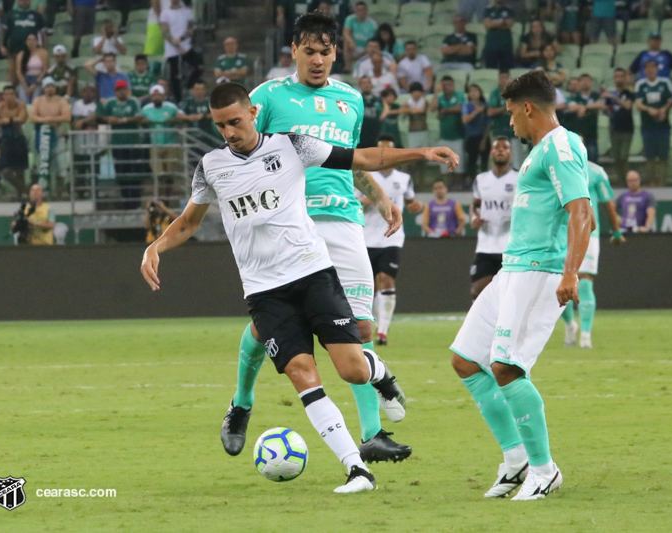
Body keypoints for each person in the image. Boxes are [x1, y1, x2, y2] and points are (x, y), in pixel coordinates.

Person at [141, 83, 456, 492]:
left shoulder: (293, 146)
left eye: (235, 121)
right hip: (264, 291)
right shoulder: (211, 166)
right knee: (303, 374)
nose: (229, 132)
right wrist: (156, 246)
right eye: (220, 125)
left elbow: (362, 157)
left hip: (312, 274)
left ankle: (379, 374)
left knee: (352, 368)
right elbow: (188, 222)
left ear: (253, 113)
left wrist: (422, 153)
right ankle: (356, 469)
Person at [237, 11, 414, 464]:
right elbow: (243, 153)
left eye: (326, 52)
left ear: (337, 52)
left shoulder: (350, 99)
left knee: (361, 330)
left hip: (344, 222)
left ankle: (373, 435)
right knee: (266, 325)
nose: (318, 60)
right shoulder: (268, 97)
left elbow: (349, 160)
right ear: (294, 50)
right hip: (290, 226)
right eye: (310, 51)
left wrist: (378, 197)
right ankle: (241, 403)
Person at [450, 70, 593, 501]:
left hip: (540, 270)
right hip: (512, 269)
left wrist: (571, 272)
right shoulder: (539, 152)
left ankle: (545, 470)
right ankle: (516, 460)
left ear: (528, 108)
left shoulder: (563, 147)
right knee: (466, 360)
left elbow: (581, 211)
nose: (510, 124)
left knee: (507, 367)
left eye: (512, 114)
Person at [356, 135, 423, 346]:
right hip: (365, 237)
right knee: (370, 285)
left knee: (386, 280)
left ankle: (382, 331)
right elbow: (352, 202)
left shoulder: (403, 178)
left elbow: (411, 201)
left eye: (388, 150)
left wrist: (415, 207)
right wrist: (368, 199)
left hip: (391, 237)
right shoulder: (363, 175)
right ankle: (369, 325)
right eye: (381, 150)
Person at [562, 159, 623, 349]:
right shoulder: (554, 168)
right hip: (559, 233)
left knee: (585, 282)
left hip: (588, 233)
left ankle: (586, 335)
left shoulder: (596, 172)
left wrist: (616, 231)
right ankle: (571, 324)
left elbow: (608, 204)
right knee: (557, 284)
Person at [468, 137, 517, 300]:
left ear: (510, 153)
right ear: (491, 153)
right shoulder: (481, 179)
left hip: (511, 245)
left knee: (509, 294)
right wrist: (474, 216)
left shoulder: (520, 178)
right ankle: (486, 325)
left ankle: (507, 325)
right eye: (497, 148)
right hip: (486, 245)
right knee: (478, 290)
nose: (501, 150)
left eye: (505, 147)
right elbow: (475, 205)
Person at [96, 79, 144, 209]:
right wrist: (108, 118)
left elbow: (139, 116)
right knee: (121, 172)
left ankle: (135, 200)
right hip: (117, 143)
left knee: (133, 172)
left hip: (133, 143)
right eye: (119, 90)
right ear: (116, 91)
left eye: (124, 89)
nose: (122, 92)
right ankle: (125, 199)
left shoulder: (133, 101)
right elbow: (100, 116)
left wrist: (124, 120)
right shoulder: (110, 103)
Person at [141, 84, 185, 199]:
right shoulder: (146, 109)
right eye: (154, 95)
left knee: (169, 174)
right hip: (155, 145)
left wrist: (174, 120)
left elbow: (182, 117)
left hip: (171, 144)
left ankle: (167, 197)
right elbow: (139, 119)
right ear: (151, 97)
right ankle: (160, 198)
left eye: (159, 95)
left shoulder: (171, 107)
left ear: (164, 96)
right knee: (159, 174)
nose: (157, 98)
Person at [0, 85, 28, 196]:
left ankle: (21, 195)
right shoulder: (0, 107)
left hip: (18, 139)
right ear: (3, 96)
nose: (9, 97)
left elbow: (22, 118)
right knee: (5, 170)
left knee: (20, 170)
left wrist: (8, 120)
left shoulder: (20, 105)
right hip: (6, 141)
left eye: (11, 94)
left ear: (15, 95)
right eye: (7, 94)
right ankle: (24, 189)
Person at [634, 60, 672, 185]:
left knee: (663, 155)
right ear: (644, 70)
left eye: (653, 67)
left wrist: (664, 109)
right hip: (647, 126)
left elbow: (671, 100)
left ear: (657, 69)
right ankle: (651, 182)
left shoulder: (665, 83)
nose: (650, 70)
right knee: (649, 155)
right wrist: (648, 109)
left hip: (663, 125)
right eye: (648, 68)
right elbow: (638, 103)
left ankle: (662, 181)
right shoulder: (641, 84)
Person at [29, 77, 70, 186]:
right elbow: (32, 117)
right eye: (48, 86)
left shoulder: (61, 100)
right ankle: (43, 188)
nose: (50, 89)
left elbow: (67, 117)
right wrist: (48, 121)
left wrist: (46, 119)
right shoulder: (38, 100)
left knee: (59, 163)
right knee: (42, 163)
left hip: (57, 134)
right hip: (42, 135)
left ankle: (59, 190)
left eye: (52, 86)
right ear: (43, 88)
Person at [160, 0, 203, 101]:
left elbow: (190, 29)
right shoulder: (165, 13)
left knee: (199, 66)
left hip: (186, 47)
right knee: (175, 76)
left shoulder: (187, 12)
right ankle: (178, 99)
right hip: (172, 50)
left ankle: (189, 86)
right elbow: (165, 32)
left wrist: (181, 39)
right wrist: (175, 44)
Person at [0, 0, 45, 83]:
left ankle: (30, 88)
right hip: (14, 50)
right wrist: (2, 46)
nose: (24, 2)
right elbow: (3, 32)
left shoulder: (37, 16)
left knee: (31, 73)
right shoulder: (10, 15)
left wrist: (44, 48)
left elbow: (42, 34)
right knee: (13, 74)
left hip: (32, 52)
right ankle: (13, 92)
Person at [430, 76, 466, 176]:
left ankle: (459, 187)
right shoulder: (440, 98)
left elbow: (459, 108)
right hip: (444, 137)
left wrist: (444, 111)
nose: (447, 87)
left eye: (449, 85)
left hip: (458, 136)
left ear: (453, 85)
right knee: (445, 165)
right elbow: (432, 108)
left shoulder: (459, 96)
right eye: (444, 85)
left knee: (459, 165)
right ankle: (447, 187)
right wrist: (436, 93)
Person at [605, 68, 634, 183]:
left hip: (627, 128)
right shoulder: (610, 94)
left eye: (621, 76)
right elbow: (606, 109)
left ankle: (627, 180)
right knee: (616, 156)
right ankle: (619, 180)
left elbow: (628, 106)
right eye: (617, 76)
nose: (619, 79)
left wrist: (615, 98)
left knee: (624, 155)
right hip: (614, 128)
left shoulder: (629, 93)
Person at [566, 73, 604, 163]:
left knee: (593, 161)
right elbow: (571, 108)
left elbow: (600, 105)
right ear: (579, 83)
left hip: (592, 133)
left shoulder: (596, 95)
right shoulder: (575, 96)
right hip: (578, 133)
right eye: (583, 81)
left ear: (591, 83)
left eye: (587, 81)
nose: (585, 83)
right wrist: (589, 107)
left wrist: (584, 107)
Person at [462, 84, 489, 178]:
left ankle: (485, 180)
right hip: (471, 137)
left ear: (480, 93)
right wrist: (476, 112)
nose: (473, 93)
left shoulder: (485, 106)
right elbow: (465, 120)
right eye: (471, 91)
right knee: (471, 161)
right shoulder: (466, 105)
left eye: (475, 91)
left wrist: (484, 140)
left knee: (484, 161)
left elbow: (488, 125)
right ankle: (472, 181)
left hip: (483, 136)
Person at [343, 1, 377, 71]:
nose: (360, 12)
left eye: (363, 10)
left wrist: (365, 50)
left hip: (366, 48)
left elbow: (374, 40)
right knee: (346, 42)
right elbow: (346, 33)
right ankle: (347, 66)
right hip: (354, 47)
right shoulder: (350, 19)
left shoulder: (372, 24)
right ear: (355, 10)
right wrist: (351, 42)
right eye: (358, 10)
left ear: (366, 11)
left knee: (372, 46)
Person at [15, 33, 48, 104]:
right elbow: (18, 71)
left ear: (37, 41)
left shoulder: (42, 52)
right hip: (25, 79)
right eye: (29, 40)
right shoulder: (21, 54)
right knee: (23, 100)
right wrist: (25, 86)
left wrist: (35, 83)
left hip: (38, 79)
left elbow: (45, 69)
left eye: (33, 40)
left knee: (35, 99)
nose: (31, 42)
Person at [483, 0, 514, 70]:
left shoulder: (508, 9)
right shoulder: (488, 9)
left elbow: (509, 24)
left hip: (506, 45)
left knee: (507, 70)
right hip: (491, 45)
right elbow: (488, 25)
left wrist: (493, 23)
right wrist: (502, 22)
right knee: (490, 70)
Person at [358, 76, 382, 148]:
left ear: (372, 85)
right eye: (364, 83)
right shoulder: (357, 100)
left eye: (368, 82)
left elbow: (383, 113)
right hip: (361, 136)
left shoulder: (378, 100)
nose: (366, 85)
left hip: (375, 135)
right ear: (360, 86)